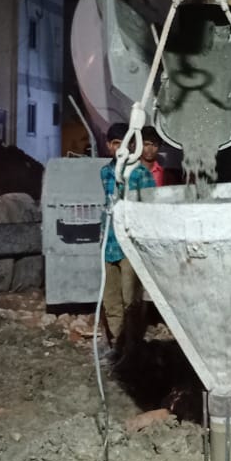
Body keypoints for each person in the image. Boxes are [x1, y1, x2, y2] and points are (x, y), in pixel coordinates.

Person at [100, 122, 157, 366]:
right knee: (111, 299)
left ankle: (133, 347)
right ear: (108, 146)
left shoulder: (141, 174)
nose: (118, 148)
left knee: (131, 301)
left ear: (132, 145)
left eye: (122, 143)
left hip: (130, 246)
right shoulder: (105, 172)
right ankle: (118, 346)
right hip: (109, 244)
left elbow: (152, 208)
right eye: (114, 144)